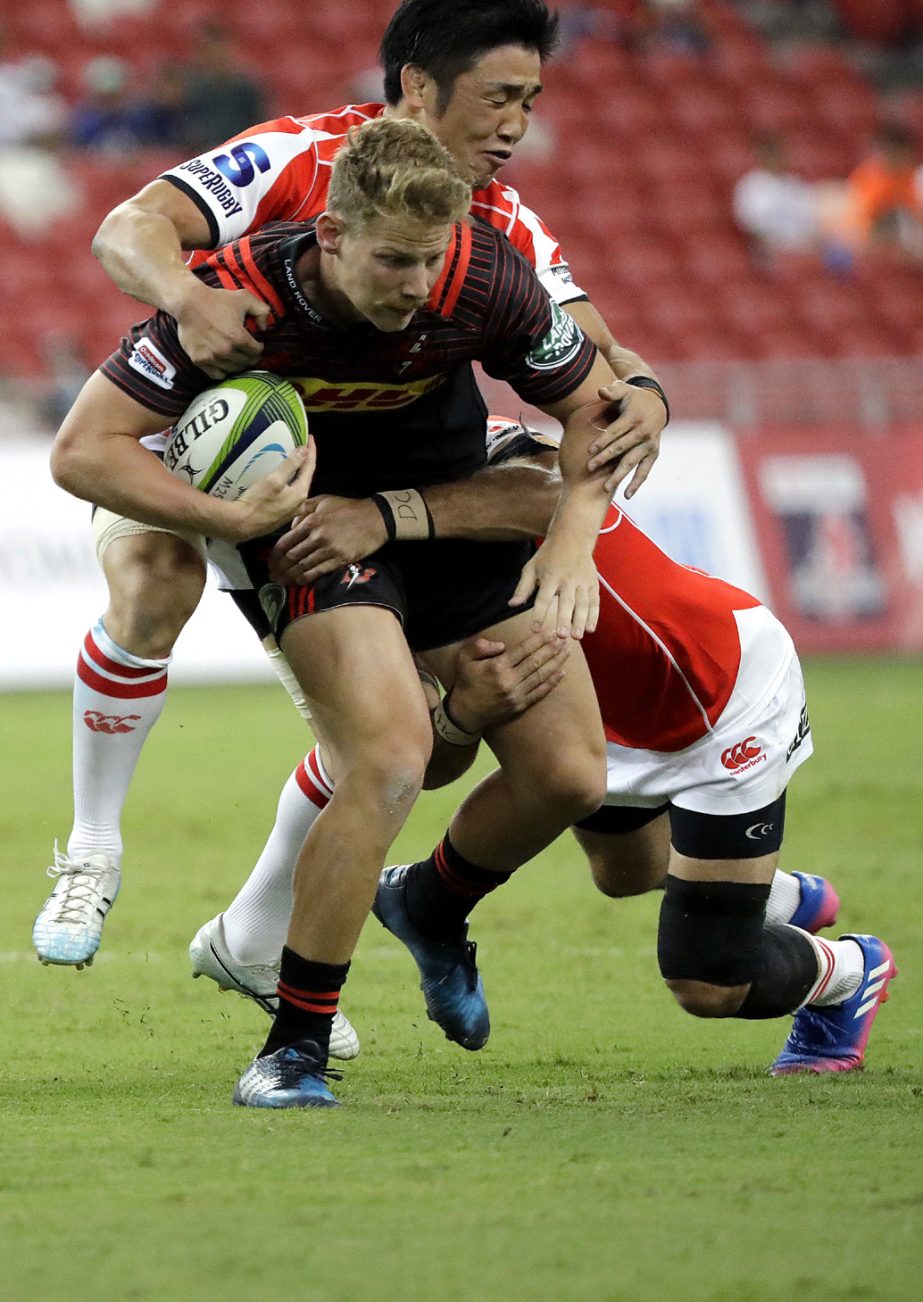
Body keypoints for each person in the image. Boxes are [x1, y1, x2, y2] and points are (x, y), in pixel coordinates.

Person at [36, 0, 668, 972]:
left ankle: (250, 937)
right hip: (197, 435)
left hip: (340, 482)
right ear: (418, 88)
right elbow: (129, 228)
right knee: (157, 579)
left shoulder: (496, 226)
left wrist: (645, 394)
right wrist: (188, 296)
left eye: (529, 102)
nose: (515, 125)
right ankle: (90, 847)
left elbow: (596, 359)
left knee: (407, 733)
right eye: (498, 97)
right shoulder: (291, 159)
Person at [197, 417, 895, 1077]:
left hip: (717, 696)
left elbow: (550, 491)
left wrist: (384, 516)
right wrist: (466, 713)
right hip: (586, 721)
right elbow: (421, 762)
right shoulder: (349, 582)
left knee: (706, 980)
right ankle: (765, 893)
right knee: (624, 871)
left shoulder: (458, 444)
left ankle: (849, 973)